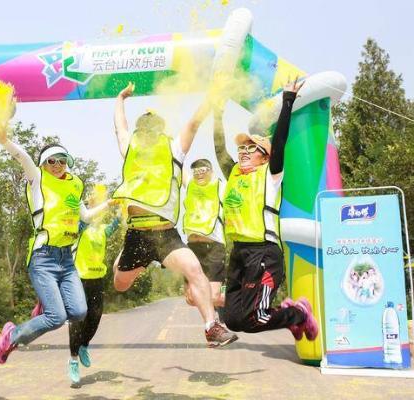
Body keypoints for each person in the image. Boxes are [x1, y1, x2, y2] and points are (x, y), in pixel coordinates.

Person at [111, 82, 237, 347]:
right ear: (139, 132)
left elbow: (192, 124)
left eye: (153, 128)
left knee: (194, 270)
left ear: (161, 131)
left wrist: (210, 97)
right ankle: (125, 260)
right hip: (137, 234)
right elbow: (119, 127)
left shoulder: (173, 150)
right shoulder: (129, 150)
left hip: (165, 234)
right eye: (144, 128)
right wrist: (120, 98)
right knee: (120, 284)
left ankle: (211, 326)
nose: (148, 132)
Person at [0, 122, 115, 366]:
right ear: (43, 164)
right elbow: (24, 157)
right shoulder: (37, 179)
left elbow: (86, 217)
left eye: (62, 160)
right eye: (52, 161)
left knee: (79, 312)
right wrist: (5, 140)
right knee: (56, 317)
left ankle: (45, 305)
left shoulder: (74, 185)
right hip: (43, 258)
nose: (57, 165)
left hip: (66, 259)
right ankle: (12, 336)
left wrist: (107, 205)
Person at [215, 78, 319, 341]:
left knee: (254, 319)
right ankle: (289, 315)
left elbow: (281, 141)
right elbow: (219, 149)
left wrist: (288, 99)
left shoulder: (271, 175)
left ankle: (298, 314)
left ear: (265, 155)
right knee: (233, 320)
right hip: (239, 252)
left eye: (252, 148)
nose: (244, 152)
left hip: (264, 253)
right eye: (241, 148)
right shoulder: (235, 177)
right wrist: (216, 113)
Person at [67, 191, 121, 386]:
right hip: (79, 279)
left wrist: (123, 204)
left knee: (95, 318)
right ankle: (73, 361)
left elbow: (117, 222)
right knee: (78, 321)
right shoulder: (80, 227)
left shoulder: (103, 230)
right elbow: (86, 218)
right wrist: (101, 205)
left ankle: (83, 346)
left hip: (97, 280)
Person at [182, 159, 227, 315]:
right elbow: (175, 161)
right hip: (193, 248)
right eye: (195, 171)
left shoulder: (221, 186)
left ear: (211, 171)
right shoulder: (190, 185)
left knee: (214, 296)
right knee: (191, 298)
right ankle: (213, 329)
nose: (199, 173)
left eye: (203, 170)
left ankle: (239, 299)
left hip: (214, 247)